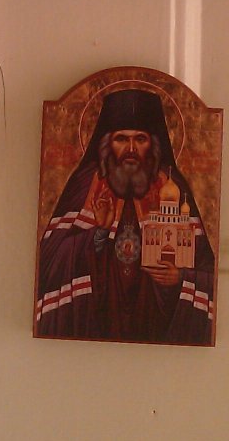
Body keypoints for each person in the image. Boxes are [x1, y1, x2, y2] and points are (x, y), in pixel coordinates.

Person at [34, 89, 215, 345]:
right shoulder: (86, 186)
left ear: (153, 145)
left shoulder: (172, 187)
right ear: (107, 144)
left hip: (157, 325)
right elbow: (49, 265)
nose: (131, 149)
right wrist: (98, 233)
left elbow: (209, 273)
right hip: (95, 323)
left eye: (140, 139)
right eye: (121, 139)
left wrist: (180, 278)